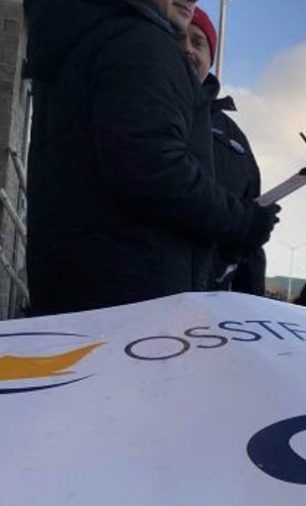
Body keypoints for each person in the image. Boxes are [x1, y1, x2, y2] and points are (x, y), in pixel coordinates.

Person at [25, 0, 279, 316]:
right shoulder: (139, 40)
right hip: (134, 300)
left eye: (199, 43)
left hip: (83, 293)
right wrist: (243, 222)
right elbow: (152, 168)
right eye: (183, 40)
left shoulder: (87, 36)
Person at [181, 8, 266, 295]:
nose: (187, 49)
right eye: (177, 38)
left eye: (198, 42)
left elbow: (251, 230)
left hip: (212, 297)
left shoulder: (235, 140)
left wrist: (251, 303)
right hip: (142, 295)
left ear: (210, 59)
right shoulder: (139, 106)